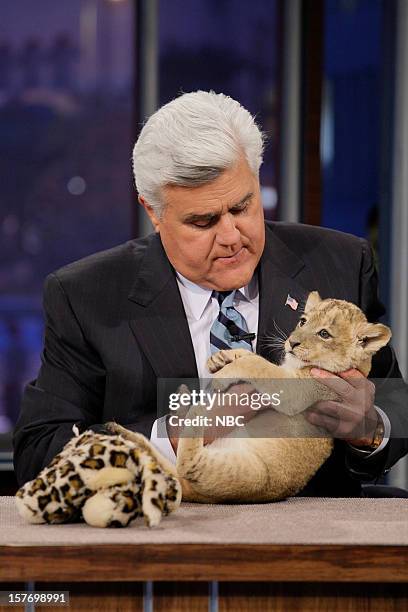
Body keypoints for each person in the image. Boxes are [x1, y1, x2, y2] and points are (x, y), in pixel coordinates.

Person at [13, 91, 408, 496]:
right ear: (153, 211)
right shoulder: (87, 295)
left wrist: (371, 429)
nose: (231, 238)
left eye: (242, 208)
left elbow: (395, 404)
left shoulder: (340, 261)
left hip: (312, 538)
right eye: (203, 222)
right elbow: (39, 451)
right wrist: (178, 434)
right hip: (166, 539)